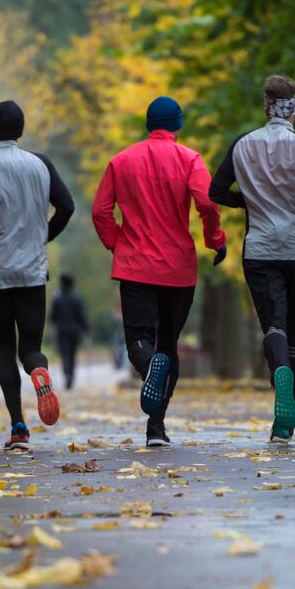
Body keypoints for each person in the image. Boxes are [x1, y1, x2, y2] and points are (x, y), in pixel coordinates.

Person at [92, 95, 227, 448]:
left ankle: (149, 366)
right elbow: (208, 202)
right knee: (168, 344)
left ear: (149, 125)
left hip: (135, 266)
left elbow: (100, 212)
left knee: (139, 338)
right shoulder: (189, 159)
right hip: (177, 270)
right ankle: (157, 427)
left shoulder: (121, 162)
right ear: (178, 126)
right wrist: (215, 239)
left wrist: (117, 244)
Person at [210, 74, 295, 443]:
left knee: (273, 326)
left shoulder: (242, 144)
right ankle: (286, 422)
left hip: (259, 248)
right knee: (294, 329)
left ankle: (278, 375)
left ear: (266, 106)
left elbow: (216, 190)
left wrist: (247, 200)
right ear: (293, 108)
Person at [0, 100, 74, 450]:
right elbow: (67, 207)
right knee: (31, 347)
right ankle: (39, 371)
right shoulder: (41, 164)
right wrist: (43, 236)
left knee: (5, 347)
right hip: (33, 268)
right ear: (20, 129)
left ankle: (18, 428)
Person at [49, 273, 90, 389]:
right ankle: (71, 376)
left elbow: (52, 317)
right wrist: (87, 327)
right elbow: (81, 316)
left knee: (64, 354)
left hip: (61, 330)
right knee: (72, 354)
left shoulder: (57, 299)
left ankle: (66, 375)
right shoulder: (77, 298)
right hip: (74, 331)